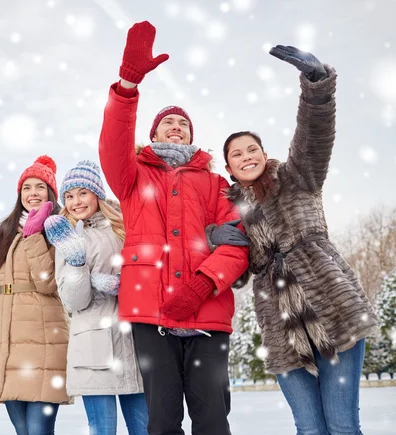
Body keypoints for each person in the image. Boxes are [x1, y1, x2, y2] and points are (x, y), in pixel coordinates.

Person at [98, 21, 250, 435]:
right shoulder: (132, 177)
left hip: (208, 314)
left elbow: (237, 244)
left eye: (183, 124)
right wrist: (127, 86)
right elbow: (112, 144)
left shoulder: (217, 184)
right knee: (161, 421)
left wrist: (202, 286)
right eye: (168, 123)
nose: (176, 127)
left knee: (212, 420)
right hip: (152, 315)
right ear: (152, 133)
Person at [219, 45, 379, 435]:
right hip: (281, 328)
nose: (246, 156)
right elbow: (236, 275)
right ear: (229, 168)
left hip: (334, 311)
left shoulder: (297, 177)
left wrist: (317, 85)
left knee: (341, 426)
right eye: (237, 154)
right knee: (308, 428)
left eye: (252, 148)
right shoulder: (227, 210)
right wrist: (221, 243)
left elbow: (314, 134)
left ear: (264, 153)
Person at [43, 160, 148, 435]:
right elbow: (73, 302)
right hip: (93, 346)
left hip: (134, 342)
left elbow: (145, 276)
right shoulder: (66, 237)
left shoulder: (123, 227)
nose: (76, 201)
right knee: (103, 430)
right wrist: (77, 264)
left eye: (83, 192)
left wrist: (122, 285)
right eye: (69, 195)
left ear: (97, 194)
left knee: (146, 429)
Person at [0, 156, 71, 435]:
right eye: (27, 188)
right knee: (23, 431)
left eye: (40, 187)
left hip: (44, 338)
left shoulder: (59, 226)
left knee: (38, 430)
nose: (33, 193)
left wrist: (34, 235)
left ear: (50, 193)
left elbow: (47, 283)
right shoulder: (5, 230)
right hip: (7, 341)